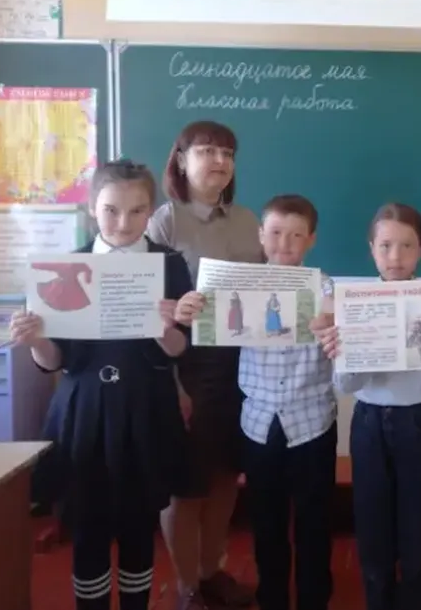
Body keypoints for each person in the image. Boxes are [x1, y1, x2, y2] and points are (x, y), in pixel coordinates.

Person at [11, 160, 196, 610]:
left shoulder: (170, 265)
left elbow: (179, 350)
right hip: (85, 411)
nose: (123, 223)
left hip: (146, 408)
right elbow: (56, 360)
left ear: (151, 210)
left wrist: (165, 329)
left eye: (137, 211)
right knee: (87, 524)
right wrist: (36, 341)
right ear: (92, 207)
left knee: (139, 526)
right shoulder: (66, 267)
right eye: (111, 210)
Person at [176, 194, 337, 610]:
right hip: (259, 423)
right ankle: (272, 599)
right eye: (276, 233)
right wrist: (191, 310)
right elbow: (204, 324)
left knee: (314, 523)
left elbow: (341, 345)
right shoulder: (235, 285)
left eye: (296, 235)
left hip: (312, 423)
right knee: (266, 524)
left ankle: (315, 599)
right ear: (261, 236)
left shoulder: (326, 289)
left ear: (312, 240)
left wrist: (336, 324)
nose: (285, 244)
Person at [315, 203, 421, 610]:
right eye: (385, 245)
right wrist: (344, 351)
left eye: (406, 245)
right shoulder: (353, 303)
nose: (395, 256)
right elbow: (347, 385)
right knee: (373, 533)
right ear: (371, 249)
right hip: (369, 424)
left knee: (419, 534)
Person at [148, 121, 263, 610]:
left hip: (242, 364)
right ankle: (187, 586)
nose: (219, 161)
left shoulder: (248, 220)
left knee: (225, 475)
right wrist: (173, 383)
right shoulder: (164, 222)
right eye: (207, 151)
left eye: (228, 153)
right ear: (181, 159)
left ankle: (212, 571)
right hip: (186, 364)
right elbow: (151, 306)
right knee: (186, 483)